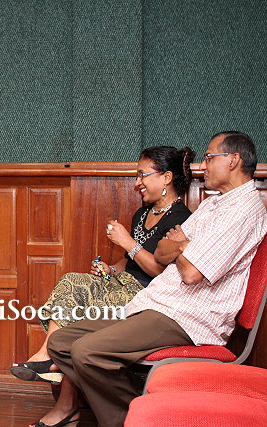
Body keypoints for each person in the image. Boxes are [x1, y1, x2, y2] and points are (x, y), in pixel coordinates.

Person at [33, 131, 267, 427]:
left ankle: (130, 417)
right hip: (158, 304)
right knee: (61, 342)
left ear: (233, 160)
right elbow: (163, 251)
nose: (202, 165)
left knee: (86, 351)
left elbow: (191, 273)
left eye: (209, 158)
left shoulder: (244, 211)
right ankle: (141, 410)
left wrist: (181, 245)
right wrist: (182, 247)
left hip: (187, 318)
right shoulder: (213, 205)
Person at [11, 146, 194, 383]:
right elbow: (129, 261)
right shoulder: (142, 214)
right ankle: (48, 355)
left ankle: (54, 363)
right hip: (122, 282)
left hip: (148, 296)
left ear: (166, 177)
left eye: (143, 175)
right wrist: (111, 269)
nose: (137, 183)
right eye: (137, 176)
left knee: (86, 306)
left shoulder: (181, 219)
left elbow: (161, 271)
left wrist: (127, 242)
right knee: (72, 280)